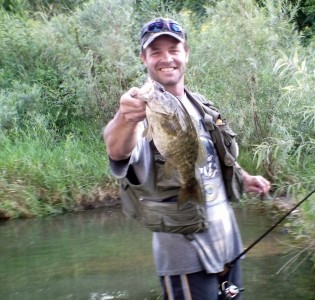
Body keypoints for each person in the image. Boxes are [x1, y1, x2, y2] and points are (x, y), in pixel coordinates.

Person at [103, 17, 271, 300]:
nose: (166, 58)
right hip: (184, 258)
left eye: (174, 49)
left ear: (186, 53)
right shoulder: (143, 110)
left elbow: (216, 157)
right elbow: (117, 149)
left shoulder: (202, 105)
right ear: (143, 58)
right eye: (155, 51)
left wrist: (245, 177)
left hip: (229, 245)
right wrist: (124, 118)